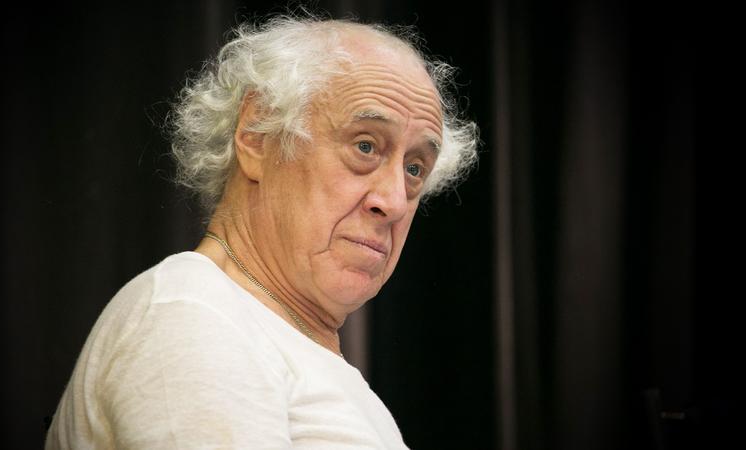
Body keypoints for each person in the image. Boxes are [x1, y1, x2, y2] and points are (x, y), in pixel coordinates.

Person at [46, 14, 477, 448]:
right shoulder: (195, 312)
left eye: (414, 168)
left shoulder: (273, 338)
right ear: (257, 134)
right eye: (365, 146)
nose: (394, 201)